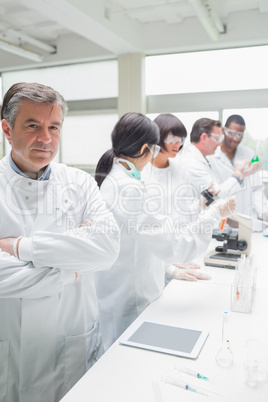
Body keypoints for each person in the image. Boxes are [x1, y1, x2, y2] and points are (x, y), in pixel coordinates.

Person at [0, 82, 120, 402]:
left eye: (54, 126)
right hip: (12, 349)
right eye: (32, 125)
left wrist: (20, 248)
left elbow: (107, 248)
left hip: (71, 341)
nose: (46, 138)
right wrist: (72, 269)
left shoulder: (79, 182)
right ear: (7, 130)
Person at [94, 112, 236, 351]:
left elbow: (143, 241)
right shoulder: (127, 189)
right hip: (130, 301)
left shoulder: (122, 179)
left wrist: (168, 268)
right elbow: (174, 245)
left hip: (129, 292)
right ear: (145, 149)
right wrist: (214, 214)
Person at [142, 113, 208, 282]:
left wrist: (201, 205)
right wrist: (170, 265)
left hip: (179, 253)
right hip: (154, 262)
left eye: (181, 140)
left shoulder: (179, 168)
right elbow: (146, 231)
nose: (178, 144)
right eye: (173, 139)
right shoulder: (143, 174)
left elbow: (184, 212)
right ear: (158, 137)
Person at [176, 117, 260, 204]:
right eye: (217, 139)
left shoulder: (200, 159)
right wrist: (237, 175)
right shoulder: (191, 162)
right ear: (204, 137)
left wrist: (241, 174)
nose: (219, 143)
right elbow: (214, 197)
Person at [207, 114, 268, 231]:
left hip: (244, 221)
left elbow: (256, 188)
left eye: (240, 135)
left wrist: (264, 212)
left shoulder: (250, 154)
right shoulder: (211, 157)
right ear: (224, 130)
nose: (236, 138)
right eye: (232, 133)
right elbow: (212, 193)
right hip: (220, 223)